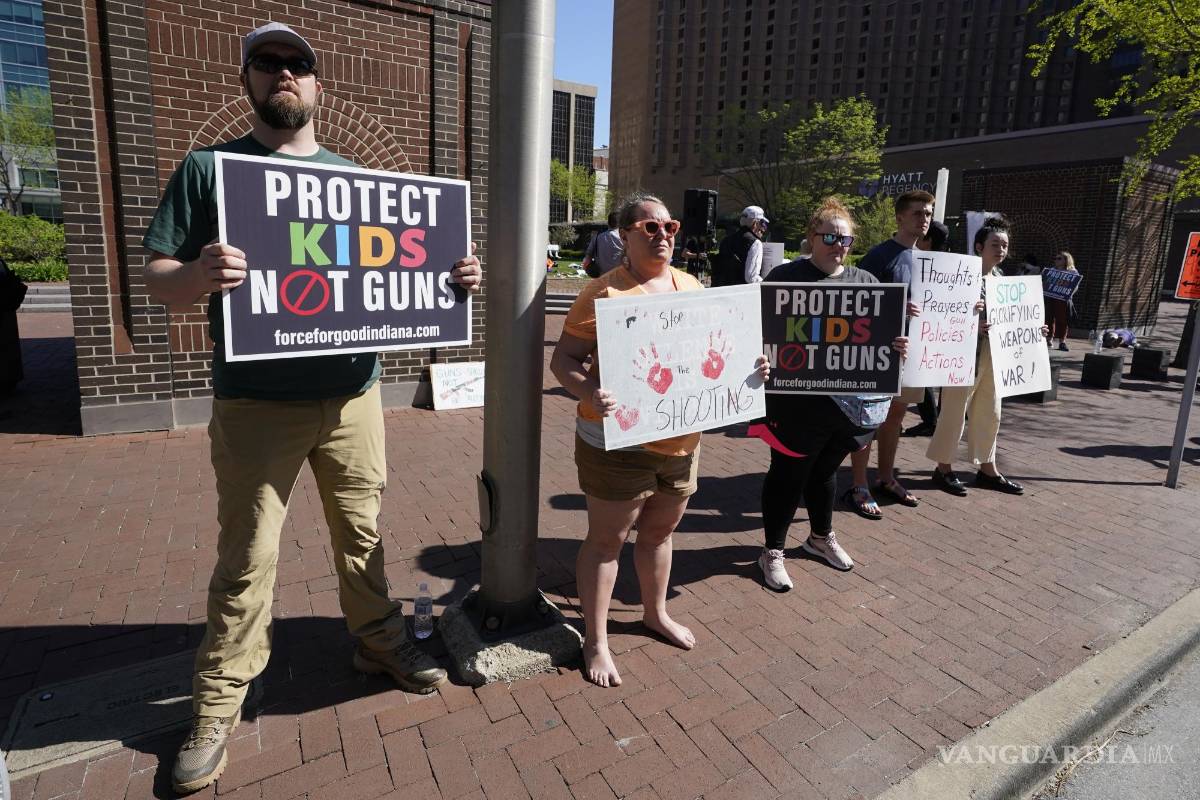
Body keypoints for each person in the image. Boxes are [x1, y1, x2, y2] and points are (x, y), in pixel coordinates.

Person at [142, 23, 483, 795]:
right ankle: (220, 700)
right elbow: (157, 275)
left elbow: (399, 273)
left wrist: (451, 278)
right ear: (248, 82)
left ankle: (378, 641)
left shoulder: (355, 178)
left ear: (318, 86)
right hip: (258, 403)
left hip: (355, 397)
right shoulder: (210, 170)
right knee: (248, 558)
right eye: (268, 64)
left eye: (298, 65)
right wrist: (197, 273)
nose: (284, 74)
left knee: (362, 532)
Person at [551, 192, 769, 686]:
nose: (663, 235)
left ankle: (655, 613)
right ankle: (597, 640)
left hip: (682, 440)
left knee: (659, 535)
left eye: (669, 226)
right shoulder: (602, 293)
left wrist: (752, 369)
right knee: (608, 542)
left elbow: (718, 353)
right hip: (618, 440)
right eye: (649, 228)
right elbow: (562, 361)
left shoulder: (692, 285)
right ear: (624, 236)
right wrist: (590, 392)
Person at [751, 197, 908, 590]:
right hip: (793, 406)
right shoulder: (784, 279)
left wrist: (896, 347)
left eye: (847, 240)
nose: (839, 246)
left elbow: (879, 340)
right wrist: (759, 359)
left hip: (846, 409)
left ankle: (820, 537)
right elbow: (754, 332)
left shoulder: (867, 284)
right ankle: (772, 551)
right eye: (830, 237)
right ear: (812, 237)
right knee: (788, 474)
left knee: (823, 473)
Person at [927, 215, 1046, 498]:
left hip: (997, 356)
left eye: (1005, 245)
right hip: (965, 355)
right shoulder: (960, 275)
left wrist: (1033, 328)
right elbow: (940, 312)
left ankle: (987, 468)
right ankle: (943, 467)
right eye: (995, 244)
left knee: (990, 411)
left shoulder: (1003, 280)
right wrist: (972, 322)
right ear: (979, 246)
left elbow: (1014, 318)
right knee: (955, 410)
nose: (1001, 250)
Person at [844, 190, 933, 519]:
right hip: (878, 356)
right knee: (868, 419)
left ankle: (885, 477)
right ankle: (858, 484)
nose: (924, 219)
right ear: (900, 217)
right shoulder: (880, 256)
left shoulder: (926, 259)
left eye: (928, 214)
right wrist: (894, 307)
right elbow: (858, 303)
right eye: (918, 213)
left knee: (895, 418)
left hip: (910, 353)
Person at [906, 219, 950, 437]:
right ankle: (933, 419)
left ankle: (931, 420)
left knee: (921, 376)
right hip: (943, 331)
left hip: (926, 330)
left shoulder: (923, 263)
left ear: (928, 240)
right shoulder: (952, 266)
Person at [711, 205, 769, 287]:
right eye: (762, 223)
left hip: (722, 290)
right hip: (740, 293)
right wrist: (768, 285)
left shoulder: (726, 240)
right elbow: (751, 277)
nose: (763, 228)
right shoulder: (755, 243)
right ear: (755, 224)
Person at [1046, 250, 1078, 351]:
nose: (1056, 260)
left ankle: (1062, 342)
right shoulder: (1052, 270)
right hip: (1051, 297)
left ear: (1066, 260)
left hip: (1063, 299)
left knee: (1062, 320)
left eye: (1059, 258)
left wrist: (1067, 294)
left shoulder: (1072, 272)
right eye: (1055, 258)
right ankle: (1049, 339)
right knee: (1049, 318)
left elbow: (1075, 286)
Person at [582, 211, 625, 278]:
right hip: (620, 276)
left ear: (608, 222)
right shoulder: (624, 238)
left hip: (601, 276)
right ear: (620, 223)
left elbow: (588, 257)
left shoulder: (597, 237)